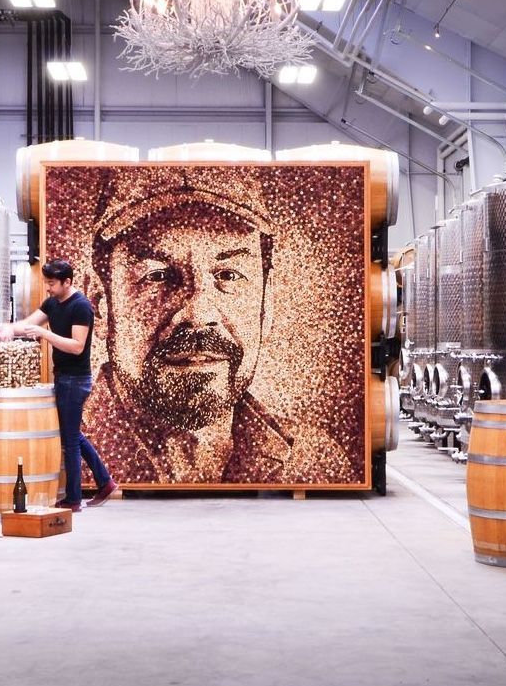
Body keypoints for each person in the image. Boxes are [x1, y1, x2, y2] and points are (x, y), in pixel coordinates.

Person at [83, 167, 354, 484]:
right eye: (157, 276)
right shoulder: (61, 452)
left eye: (228, 275)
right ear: (100, 307)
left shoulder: (311, 460)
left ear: (265, 306)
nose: (197, 314)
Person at [0, 259, 118, 511]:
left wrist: (44, 334)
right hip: (63, 377)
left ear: (67, 282)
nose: (48, 289)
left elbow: (76, 347)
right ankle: (106, 483)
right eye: (46, 283)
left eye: (52, 284)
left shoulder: (81, 306)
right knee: (71, 434)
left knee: (71, 440)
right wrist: (9, 328)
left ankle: (73, 499)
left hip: (76, 379)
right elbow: (30, 324)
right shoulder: (52, 303)